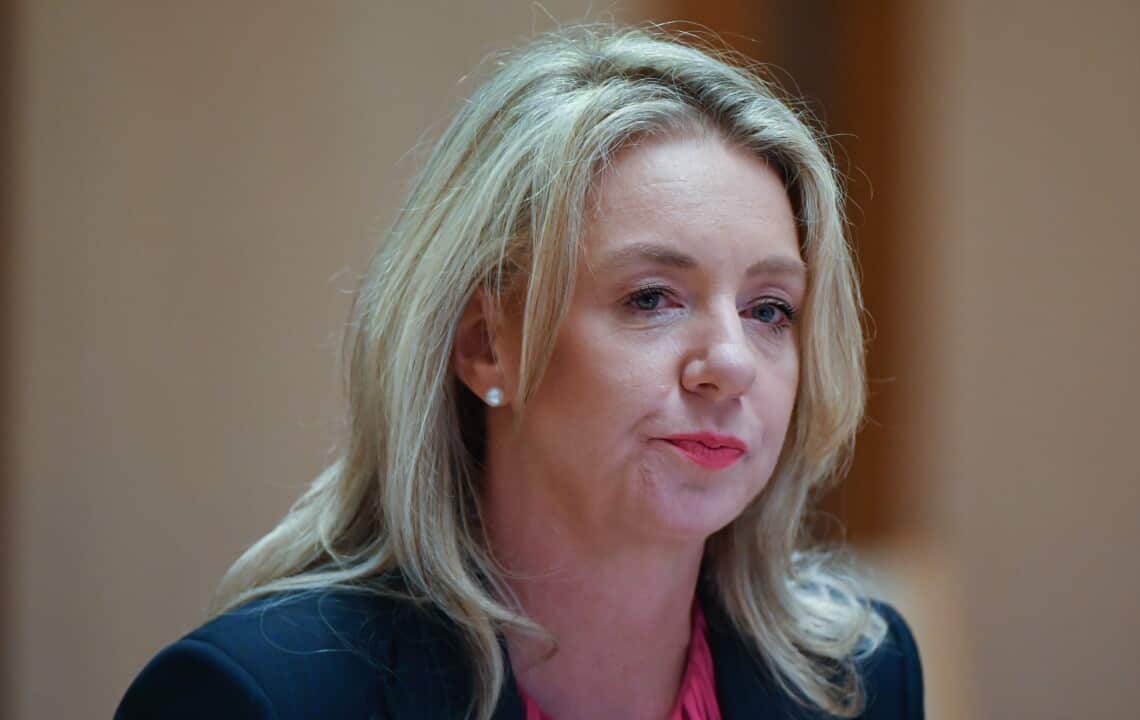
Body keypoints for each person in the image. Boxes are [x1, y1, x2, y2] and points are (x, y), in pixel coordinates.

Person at [116, 23, 924, 720]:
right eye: (652, 298)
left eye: (769, 309)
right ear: (482, 346)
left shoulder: (858, 679)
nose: (731, 365)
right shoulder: (259, 698)